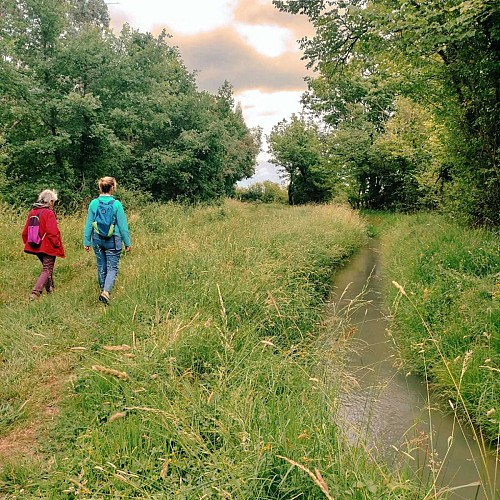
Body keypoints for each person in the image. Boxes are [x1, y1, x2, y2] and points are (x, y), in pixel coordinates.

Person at [83, 177, 131, 305]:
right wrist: (127, 243)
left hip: (97, 239)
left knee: (101, 265)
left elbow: (89, 224)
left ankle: (102, 289)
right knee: (112, 267)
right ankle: (106, 292)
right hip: (113, 239)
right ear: (112, 188)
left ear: (100, 187)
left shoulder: (93, 203)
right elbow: (123, 226)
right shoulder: (116, 204)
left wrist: (86, 241)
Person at [22, 189, 65, 301]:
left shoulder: (32, 212)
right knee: (47, 268)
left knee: (47, 268)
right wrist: (56, 244)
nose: (53, 205)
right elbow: (52, 231)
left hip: (35, 245)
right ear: (50, 201)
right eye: (53, 202)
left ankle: (50, 289)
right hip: (47, 246)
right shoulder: (48, 213)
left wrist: (27, 242)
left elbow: (25, 232)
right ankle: (35, 293)